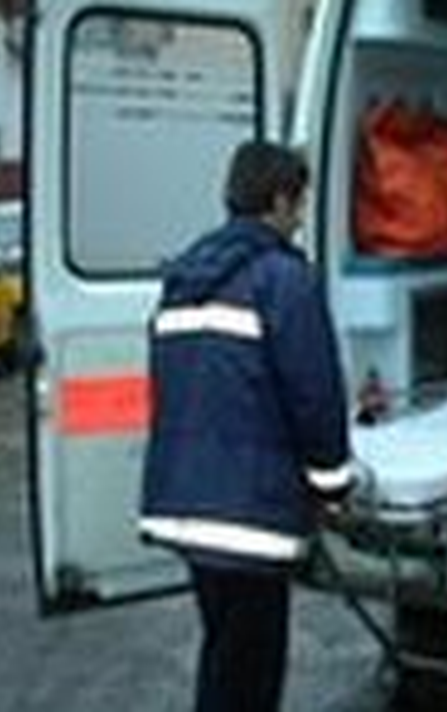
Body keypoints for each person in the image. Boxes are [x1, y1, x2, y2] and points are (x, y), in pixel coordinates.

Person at [140, 140, 355, 712]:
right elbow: (313, 396)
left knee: (223, 657)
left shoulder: (184, 278)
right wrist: (334, 484)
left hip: (185, 504)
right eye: (300, 204)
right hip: (250, 515)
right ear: (279, 200)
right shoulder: (284, 280)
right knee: (252, 674)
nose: (301, 218)